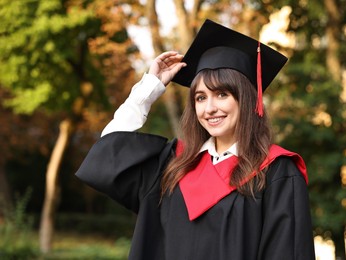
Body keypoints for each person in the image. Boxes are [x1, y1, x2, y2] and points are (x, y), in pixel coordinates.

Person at [76, 19, 316, 260]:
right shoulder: (171, 165)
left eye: (222, 94)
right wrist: (148, 90)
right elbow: (106, 155)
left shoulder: (276, 171)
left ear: (247, 100)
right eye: (200, 98)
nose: (209, 108)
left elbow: (289, 252)